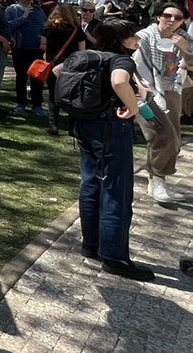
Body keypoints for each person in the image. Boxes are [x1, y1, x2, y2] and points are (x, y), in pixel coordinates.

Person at [56, 18, 154, 281]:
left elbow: (57, 71)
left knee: (91, 183)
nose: (137, 40)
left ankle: (91, 244)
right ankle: (115, 257)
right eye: (134, 36)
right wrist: (132, 106)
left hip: (83, 125)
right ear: (122, 40)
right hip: (110, 128)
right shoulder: (121, 60)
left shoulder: (86, 55)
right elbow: (119, 82)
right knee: (117, 189)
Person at [132, 1, 192, 203]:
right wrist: (140, 86)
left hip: (172, 90)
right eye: (167, 15)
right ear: (159, 16)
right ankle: (157, 181)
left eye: (178, 18)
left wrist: (185, 50)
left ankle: (158, 180)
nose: (172, 20)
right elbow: (130, 62)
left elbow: (190, 65)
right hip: (147, 91)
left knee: (173, 138)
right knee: (160, 134)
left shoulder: (183, 38)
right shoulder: (144, 36)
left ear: (183, 21)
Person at [40, 4, 86, 135]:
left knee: (53, 96)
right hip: (71, 67)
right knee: (72, 97)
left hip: (52, 65)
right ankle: (72, 128)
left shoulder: (48, 29)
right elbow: (82, 52)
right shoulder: (77, 31)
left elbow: (43, 46)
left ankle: (53, 124)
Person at [6, 0, 46, 116]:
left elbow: (44, 26)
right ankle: (21, 103)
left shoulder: (38, 10)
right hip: (20, 48)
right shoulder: (12, 9)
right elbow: (9, 27)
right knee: (21, 77)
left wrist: (43, 38)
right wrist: (24, 17)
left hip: (36, 49)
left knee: (37, 78)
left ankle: (37, 105)